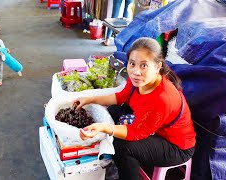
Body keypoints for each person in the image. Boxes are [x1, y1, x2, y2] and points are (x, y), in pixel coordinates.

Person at [75, 37, 196, 180]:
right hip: (155, 129)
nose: (136, 72)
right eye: (132, 64)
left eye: (144, 66)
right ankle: (116, 160)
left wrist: (103, 127)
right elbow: (120, 97)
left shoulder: (162, 98)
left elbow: (136, 132)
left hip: (176, 147)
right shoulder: (138, 81)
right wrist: (90, 99)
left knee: (123, 146)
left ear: (158, 67)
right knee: (113, 110)